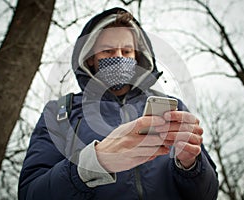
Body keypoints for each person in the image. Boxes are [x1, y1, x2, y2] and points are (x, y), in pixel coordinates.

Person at [18, 7, 219, 200]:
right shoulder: (60, 112)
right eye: (108, 51)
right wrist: (94, 162)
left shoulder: (172, 108)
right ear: (89, 59)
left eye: (127, 51)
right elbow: (30, 193)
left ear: (137, 57)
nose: (119, 57)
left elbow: (208, 194)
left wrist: (190, 165)